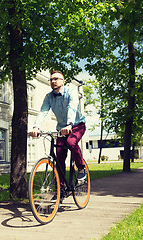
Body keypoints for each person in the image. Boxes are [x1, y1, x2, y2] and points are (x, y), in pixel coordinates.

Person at [29, 70, 86, 200]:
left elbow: (72, 107)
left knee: (71, 143)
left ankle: (81, 168)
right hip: (61, 128)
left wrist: (69, 124)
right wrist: (36, 127)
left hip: (77, 125)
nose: (53, 81)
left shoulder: (71, 92)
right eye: (51, 79)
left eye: (56, 79)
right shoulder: (49, 97)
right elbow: (43, 112)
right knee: (59, 159)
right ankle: (60, 191)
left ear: (63, 81)